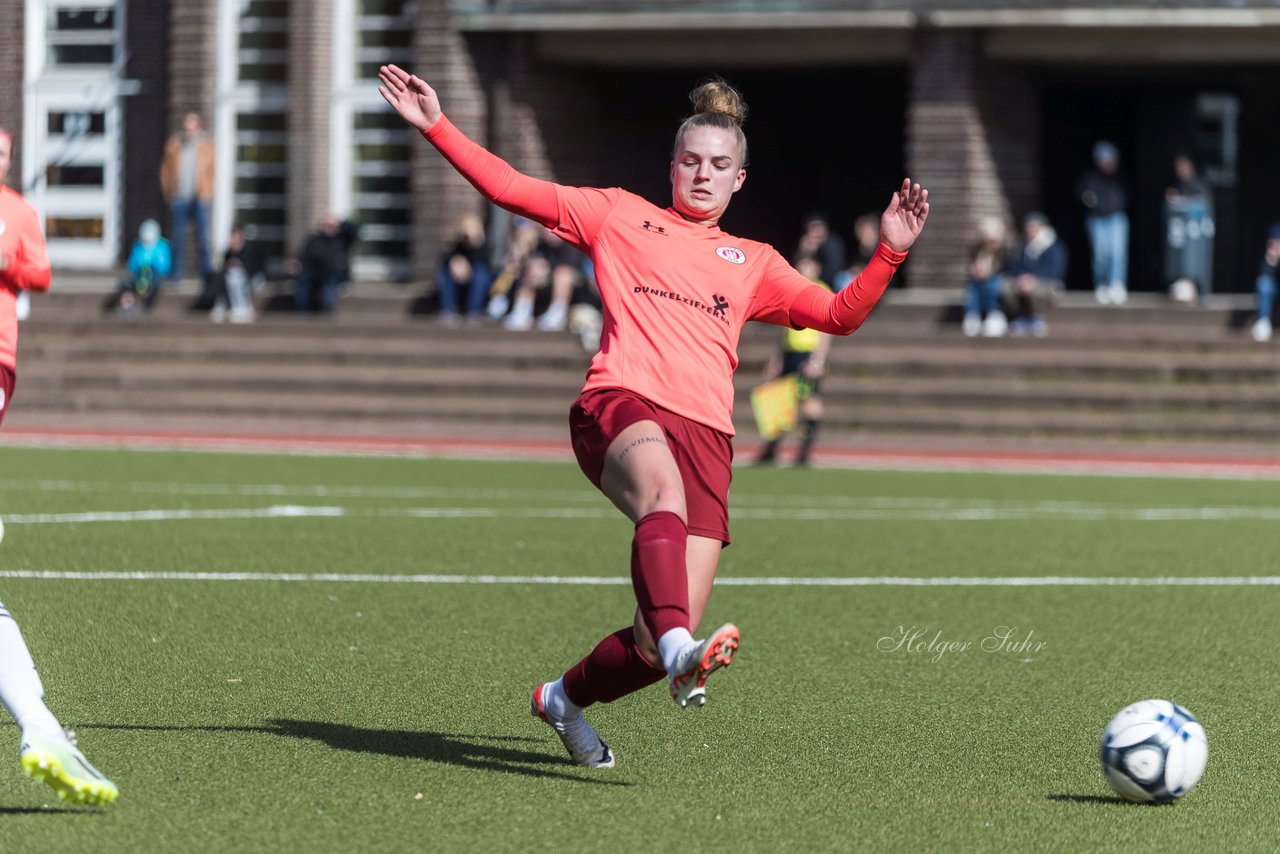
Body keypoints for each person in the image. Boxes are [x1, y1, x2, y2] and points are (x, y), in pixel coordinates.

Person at [380, 65, 928, 767]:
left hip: (708, 438)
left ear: (740, 181)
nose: (703, 175)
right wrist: (436, 124)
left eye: (720, 166)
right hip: (621, 404)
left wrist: (891, 250)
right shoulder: (617, 215)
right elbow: (508, 187)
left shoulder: (754, 261)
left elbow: (836, 315)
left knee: (648, 639)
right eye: (692, 161)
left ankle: (564, 700)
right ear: (671, 167)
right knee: (662, 520)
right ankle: (681, 652)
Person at [0, 127, 119, 805]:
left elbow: (39, 274)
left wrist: (10, 264)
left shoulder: (18, 211)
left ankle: (41, 727)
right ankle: (41, 728)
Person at [754, 256, 833, 466]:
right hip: (790, 353)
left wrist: (817, 360)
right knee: (781, 400)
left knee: (808, 401)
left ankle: (804, 452)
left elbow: (827, 331)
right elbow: (784, 328)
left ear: (816, 268)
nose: (803, 269)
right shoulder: (793, 288)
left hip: (807, 354)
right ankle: (771, 450)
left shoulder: (821, 290)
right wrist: (777, 358)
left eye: (807, 266)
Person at [160, 111, 215, 285]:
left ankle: (206, 275)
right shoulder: (175, 145)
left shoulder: (206, 146)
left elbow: (211, 171)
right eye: (186, 127)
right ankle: (176, 275)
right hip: (180, 197)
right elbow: (165, 171)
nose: (188, 131)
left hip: (200, 198)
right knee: (178, 238)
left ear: (198, 127)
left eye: (191, 127)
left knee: (203, 239)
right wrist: (169, 193)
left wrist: (207, 192)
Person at [502, 228, 588, 332]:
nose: (549, 233)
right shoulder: (540, 244)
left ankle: (557, 313)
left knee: (562, 274)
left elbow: (570, 269)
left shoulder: (571, 245)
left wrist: (547, 269)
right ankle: (522, 310)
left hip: (573, 284)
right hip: (545, 280)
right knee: (532, 269)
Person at [1077, 140, 1129, 306]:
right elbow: (1081, 194)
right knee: (1100, 255)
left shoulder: (1119, 177)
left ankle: (1117, 284)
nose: (1108, 163)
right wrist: (1089, 200)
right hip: (1097, 219)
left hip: (1116, 218)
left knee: (1117, 253)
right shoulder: (1090, 178)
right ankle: (1102, 284)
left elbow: (1128, 194)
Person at [1004, 212, 1068, 337]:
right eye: (1028, 227)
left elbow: (1055, 271)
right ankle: (1020, 317)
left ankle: (1035, 317)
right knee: (1006, 287)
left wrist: (1034, 278)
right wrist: (1021, 278)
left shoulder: (1054, 246)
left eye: (1034, 227)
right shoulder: (1023, 246)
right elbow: (1015, 266)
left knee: (1035, 290)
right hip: (1024, 282)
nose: (1031, 230)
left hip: (1048, 283)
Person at [1163, 153, 1215, 299]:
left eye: (1182, 167)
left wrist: (1182, 202)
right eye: (1177, 168)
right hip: (1182, 236)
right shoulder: (1180, 185)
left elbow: (1201, 207)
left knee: (1195, 262)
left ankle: (1193, 287)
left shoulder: (1199, 184)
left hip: (1196, 235)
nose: (1180, 170)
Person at [291, 213, 359, 313]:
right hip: (313, 273)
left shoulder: (342, 240)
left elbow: (354, 229)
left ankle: (328, 310)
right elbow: (303, 257)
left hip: (332, 275)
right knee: (303, 284)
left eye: (332, 225)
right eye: (327, 225)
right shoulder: (314, 240)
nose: (329, 228)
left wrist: (341, 223)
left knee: (329, 285)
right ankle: (304, 311)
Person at [436, 212, 492, 326]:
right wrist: (455, 261)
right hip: (459, 281)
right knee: (444, 274)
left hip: (478, 282)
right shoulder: (458, 245)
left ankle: (475, 311)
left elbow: (485, 262)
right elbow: (445, 258)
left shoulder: (484, 245)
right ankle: (448, 310)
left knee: (480, 273)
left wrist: (475, 242)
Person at [108, 219, 172, 316]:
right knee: (125, 284)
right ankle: (126, 307)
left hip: (153, 277)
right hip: (139, 276)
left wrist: (151, 267)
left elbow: (164, 266)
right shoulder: (138, 246)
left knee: (157, 286)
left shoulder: (162, 246)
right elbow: (132, 265)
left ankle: (146, 308)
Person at [961, 216, 1010, 338]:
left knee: (992, 284)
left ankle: (995, 314)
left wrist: (989, 272)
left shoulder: (1005, 250)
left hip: (999, 280)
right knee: (974, 286)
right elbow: (974, 265)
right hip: (980, 280)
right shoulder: (979, 250)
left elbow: (1006, 268)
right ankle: (972, 315)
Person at [209, 223, 265, 324]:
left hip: (253, 278)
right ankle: (222, 307)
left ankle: (242, 307)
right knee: (226, 277)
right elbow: (224, 268)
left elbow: (255, 267)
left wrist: (239, 264)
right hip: (232, 279)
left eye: (235, 237)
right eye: (232, 237)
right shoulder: (229, 252)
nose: (233, 240)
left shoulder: (249, 248)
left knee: (236, 276)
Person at [795, 212, 847, 289]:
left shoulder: (832, 243)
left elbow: (834, 270)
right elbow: (798, 264)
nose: (816, 231)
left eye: (819, 226)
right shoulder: (806, 242)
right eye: (813, 227)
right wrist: (805, 250)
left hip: (832, 283)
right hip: (811, 280)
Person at [833, 213, 880, 292]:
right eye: (860, 231)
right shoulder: (858, 249)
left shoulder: (881, 248)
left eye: (865, 231)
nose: (862, 235)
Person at [1250, 224, 1280, 343]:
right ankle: (1263, 322)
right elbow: (1263, 275)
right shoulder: (1268, 256)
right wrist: (1272, 261)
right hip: (1274, 290)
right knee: (1264, 283)